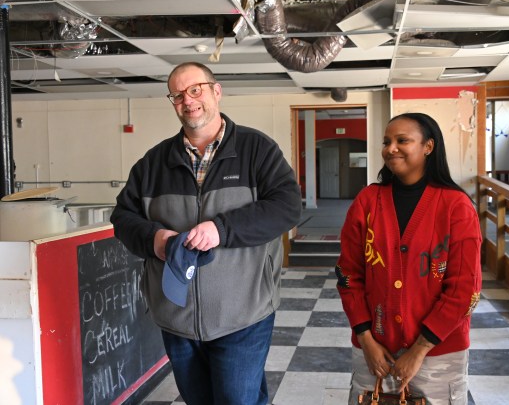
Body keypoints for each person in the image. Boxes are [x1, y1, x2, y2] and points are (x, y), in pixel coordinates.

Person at [110, 62, 301, 405]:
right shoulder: (153, 163)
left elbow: (287, 207)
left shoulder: (257, 150)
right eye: (178, 95)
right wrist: (155, 240)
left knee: (235, 399)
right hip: (176, 317)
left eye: (195, 89)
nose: (188, 100)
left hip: (243, 314)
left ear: (216, 91)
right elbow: (123, 217)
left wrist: (222, 229)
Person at [336, 112, 482, 405]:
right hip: (374, 349)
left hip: (438, 352)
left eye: (402, 140)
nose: (391, 148)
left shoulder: (456, 206)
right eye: (387, 141)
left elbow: (464, 288)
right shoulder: (367, 201)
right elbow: (349, 275)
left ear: (428, 146)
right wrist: (366, 340)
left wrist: (419, 350)